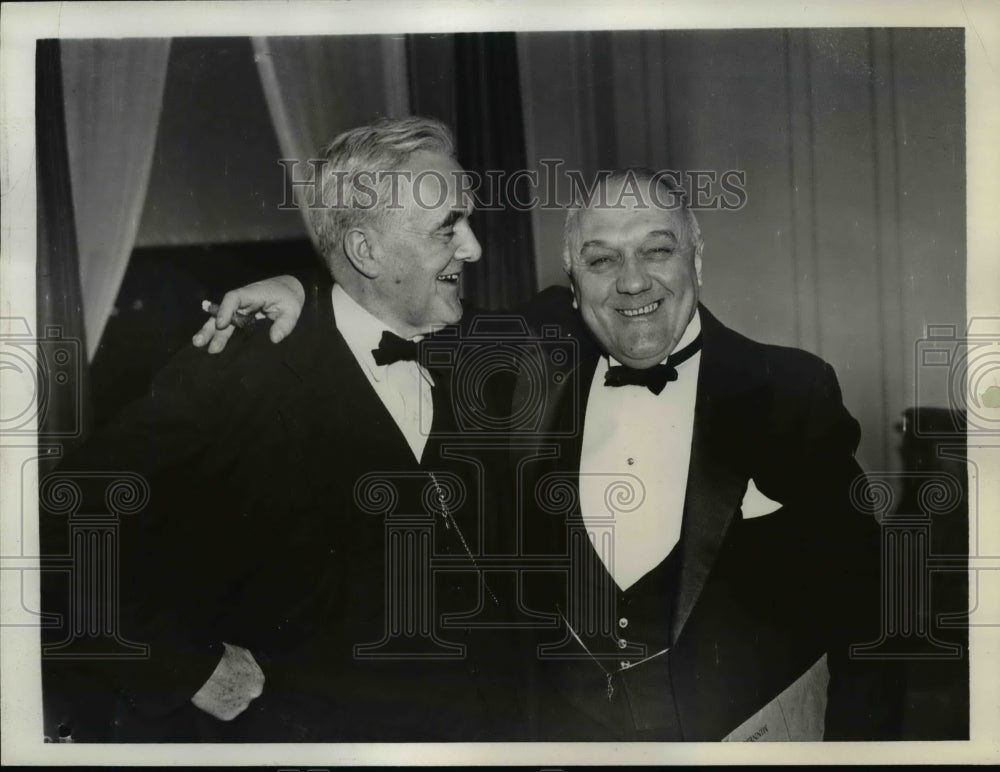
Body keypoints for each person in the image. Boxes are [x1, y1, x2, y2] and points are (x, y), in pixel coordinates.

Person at [203, 167, 901, 741]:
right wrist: (306, 291)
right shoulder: (530, 360)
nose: (632, 281)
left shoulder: (788, 389)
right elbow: (387, 316)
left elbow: (871, 613)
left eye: (657, 250)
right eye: (601, 260)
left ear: (696, 255)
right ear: (572, 279)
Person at [40, 116, 525, 741]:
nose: (475, 248)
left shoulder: (495, 353)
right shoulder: (241, 368)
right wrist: (183, 667)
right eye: (447, 229)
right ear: (365, 251)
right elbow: (56, 525)